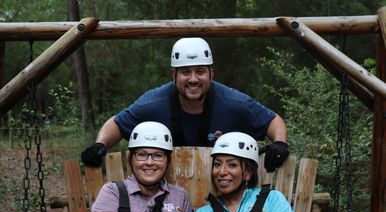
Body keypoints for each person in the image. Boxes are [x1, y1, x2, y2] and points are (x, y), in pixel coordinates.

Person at [81, 37, 289, 172]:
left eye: (200, 71)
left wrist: (280, 143)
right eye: (185, 72)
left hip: (222, 194)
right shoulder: (154, 102)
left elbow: (273, 120)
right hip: (166, 198)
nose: (193, 79)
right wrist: (99, 145)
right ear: (174, 75)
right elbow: (117, 123)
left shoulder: (234, 102)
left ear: (211, 74)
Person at [82, 121, 192, 212]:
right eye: (142, 154)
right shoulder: (112, 191)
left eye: (157, 155)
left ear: (167, 161)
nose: (149, 162)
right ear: (131, 159)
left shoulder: (179, 197)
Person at [189, 132, 296, 212]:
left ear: (248, 173)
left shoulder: (272, 200)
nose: (222, 172)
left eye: (232, 165)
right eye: (217, 164)